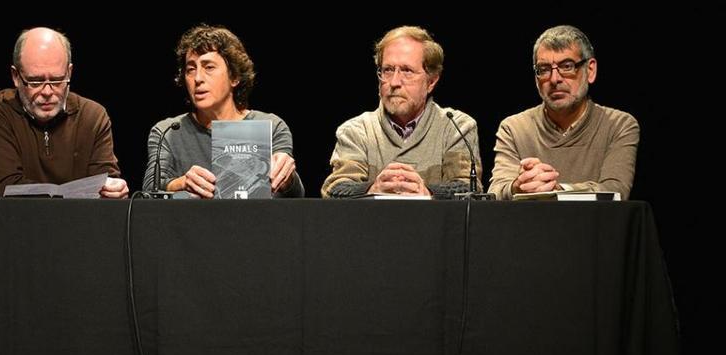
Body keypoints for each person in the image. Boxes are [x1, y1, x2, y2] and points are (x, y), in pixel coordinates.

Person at [144, 24, 304, 198]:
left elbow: (296, 197)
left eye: (209, 67)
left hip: (259, 223)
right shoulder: (168, 131)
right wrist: (182, 183)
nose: (197, 78)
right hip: (192, 223)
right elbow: (148, 191)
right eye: (191, 69)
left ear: (234, 77)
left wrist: (287, 178)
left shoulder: (271, 126)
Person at [321, 26, 480, 198]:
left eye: (407, 71)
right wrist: (371, 190)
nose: (395, 82)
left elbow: (469, 189)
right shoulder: (356, 131)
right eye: (388, 70)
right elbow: (335, 190)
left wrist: (427, 192)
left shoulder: (456, 128)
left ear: (431, 81)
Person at [488, 25, 639, 200]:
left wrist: (555, 189)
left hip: (593, 226)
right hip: (532, 226)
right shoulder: (515, 128)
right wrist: (518, 186)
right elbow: (495, 193)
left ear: (590, 70)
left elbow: (616, 190)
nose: (554, 79)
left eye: (567, 66)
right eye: (544, 69)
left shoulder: (618, 125)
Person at [0, 27, 128, 198]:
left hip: (81, 223)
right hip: (15, 222)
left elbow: (103, 182)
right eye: (35, 81)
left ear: (69, 72)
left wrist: (113, 190)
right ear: (16, 76)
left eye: (56, 80)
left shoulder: (93, 116)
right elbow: (5, 187)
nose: (47, 91)